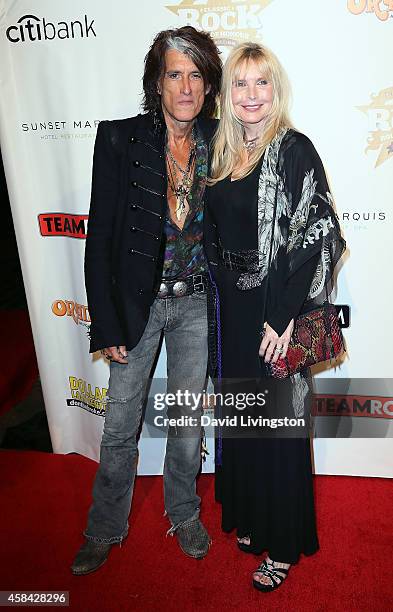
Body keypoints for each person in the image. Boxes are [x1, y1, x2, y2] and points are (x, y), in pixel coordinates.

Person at [71, 26, 222, 575]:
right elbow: (100, 241)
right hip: (137, 307)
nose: (186, 86)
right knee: (119, 425)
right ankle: (104, 526)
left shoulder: (221, 140)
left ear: (209, 85)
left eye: (196, 75)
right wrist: (105, 325)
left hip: (197, 307)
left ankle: (183, 513)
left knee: (187, 422)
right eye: (174, 74)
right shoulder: (119, 139)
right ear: (157, 83)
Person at [204, 42, 345, 591]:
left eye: (262, 83)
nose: (251, 95)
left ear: (275, 90)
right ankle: (253, 515)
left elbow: (320, 234)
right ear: (228, 93)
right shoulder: (220, 154)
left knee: (280, 426)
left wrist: (284, 317)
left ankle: (283, 541)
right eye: (241, 84)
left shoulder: (293, 150)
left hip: (274, 310)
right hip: (231, 310)